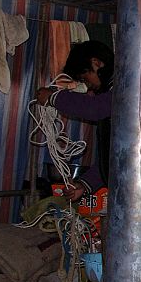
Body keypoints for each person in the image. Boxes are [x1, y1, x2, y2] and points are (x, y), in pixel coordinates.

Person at [35, 41, 114, 201]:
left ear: (96, 63)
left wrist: (53, 98)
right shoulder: (108, 96)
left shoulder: (126, 85)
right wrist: (84, 185)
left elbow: (94, 109)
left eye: (85, 79)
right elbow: (112, 159)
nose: (88, 86)